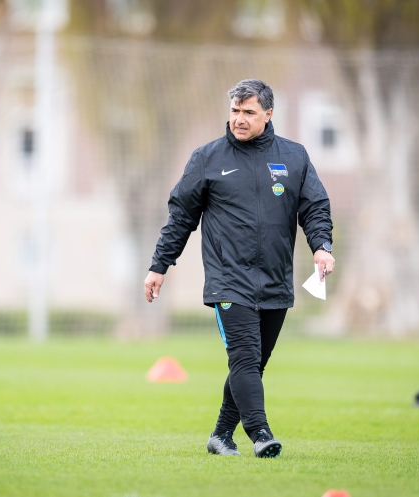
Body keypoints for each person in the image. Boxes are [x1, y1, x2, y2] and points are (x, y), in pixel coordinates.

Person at [143, 79, 335, 458]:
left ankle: (220, 436)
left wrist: (321, 247)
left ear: (268, 113)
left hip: (276, 280)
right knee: (245, 357)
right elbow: (181, 217)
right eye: (234, 110)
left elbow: (314, 207)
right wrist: (159, 265)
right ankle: (260, 433)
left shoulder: (294, 157)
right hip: (228, 280)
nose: (239, 119)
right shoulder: (207, 158)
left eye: (248, 112)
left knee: (252, 365)